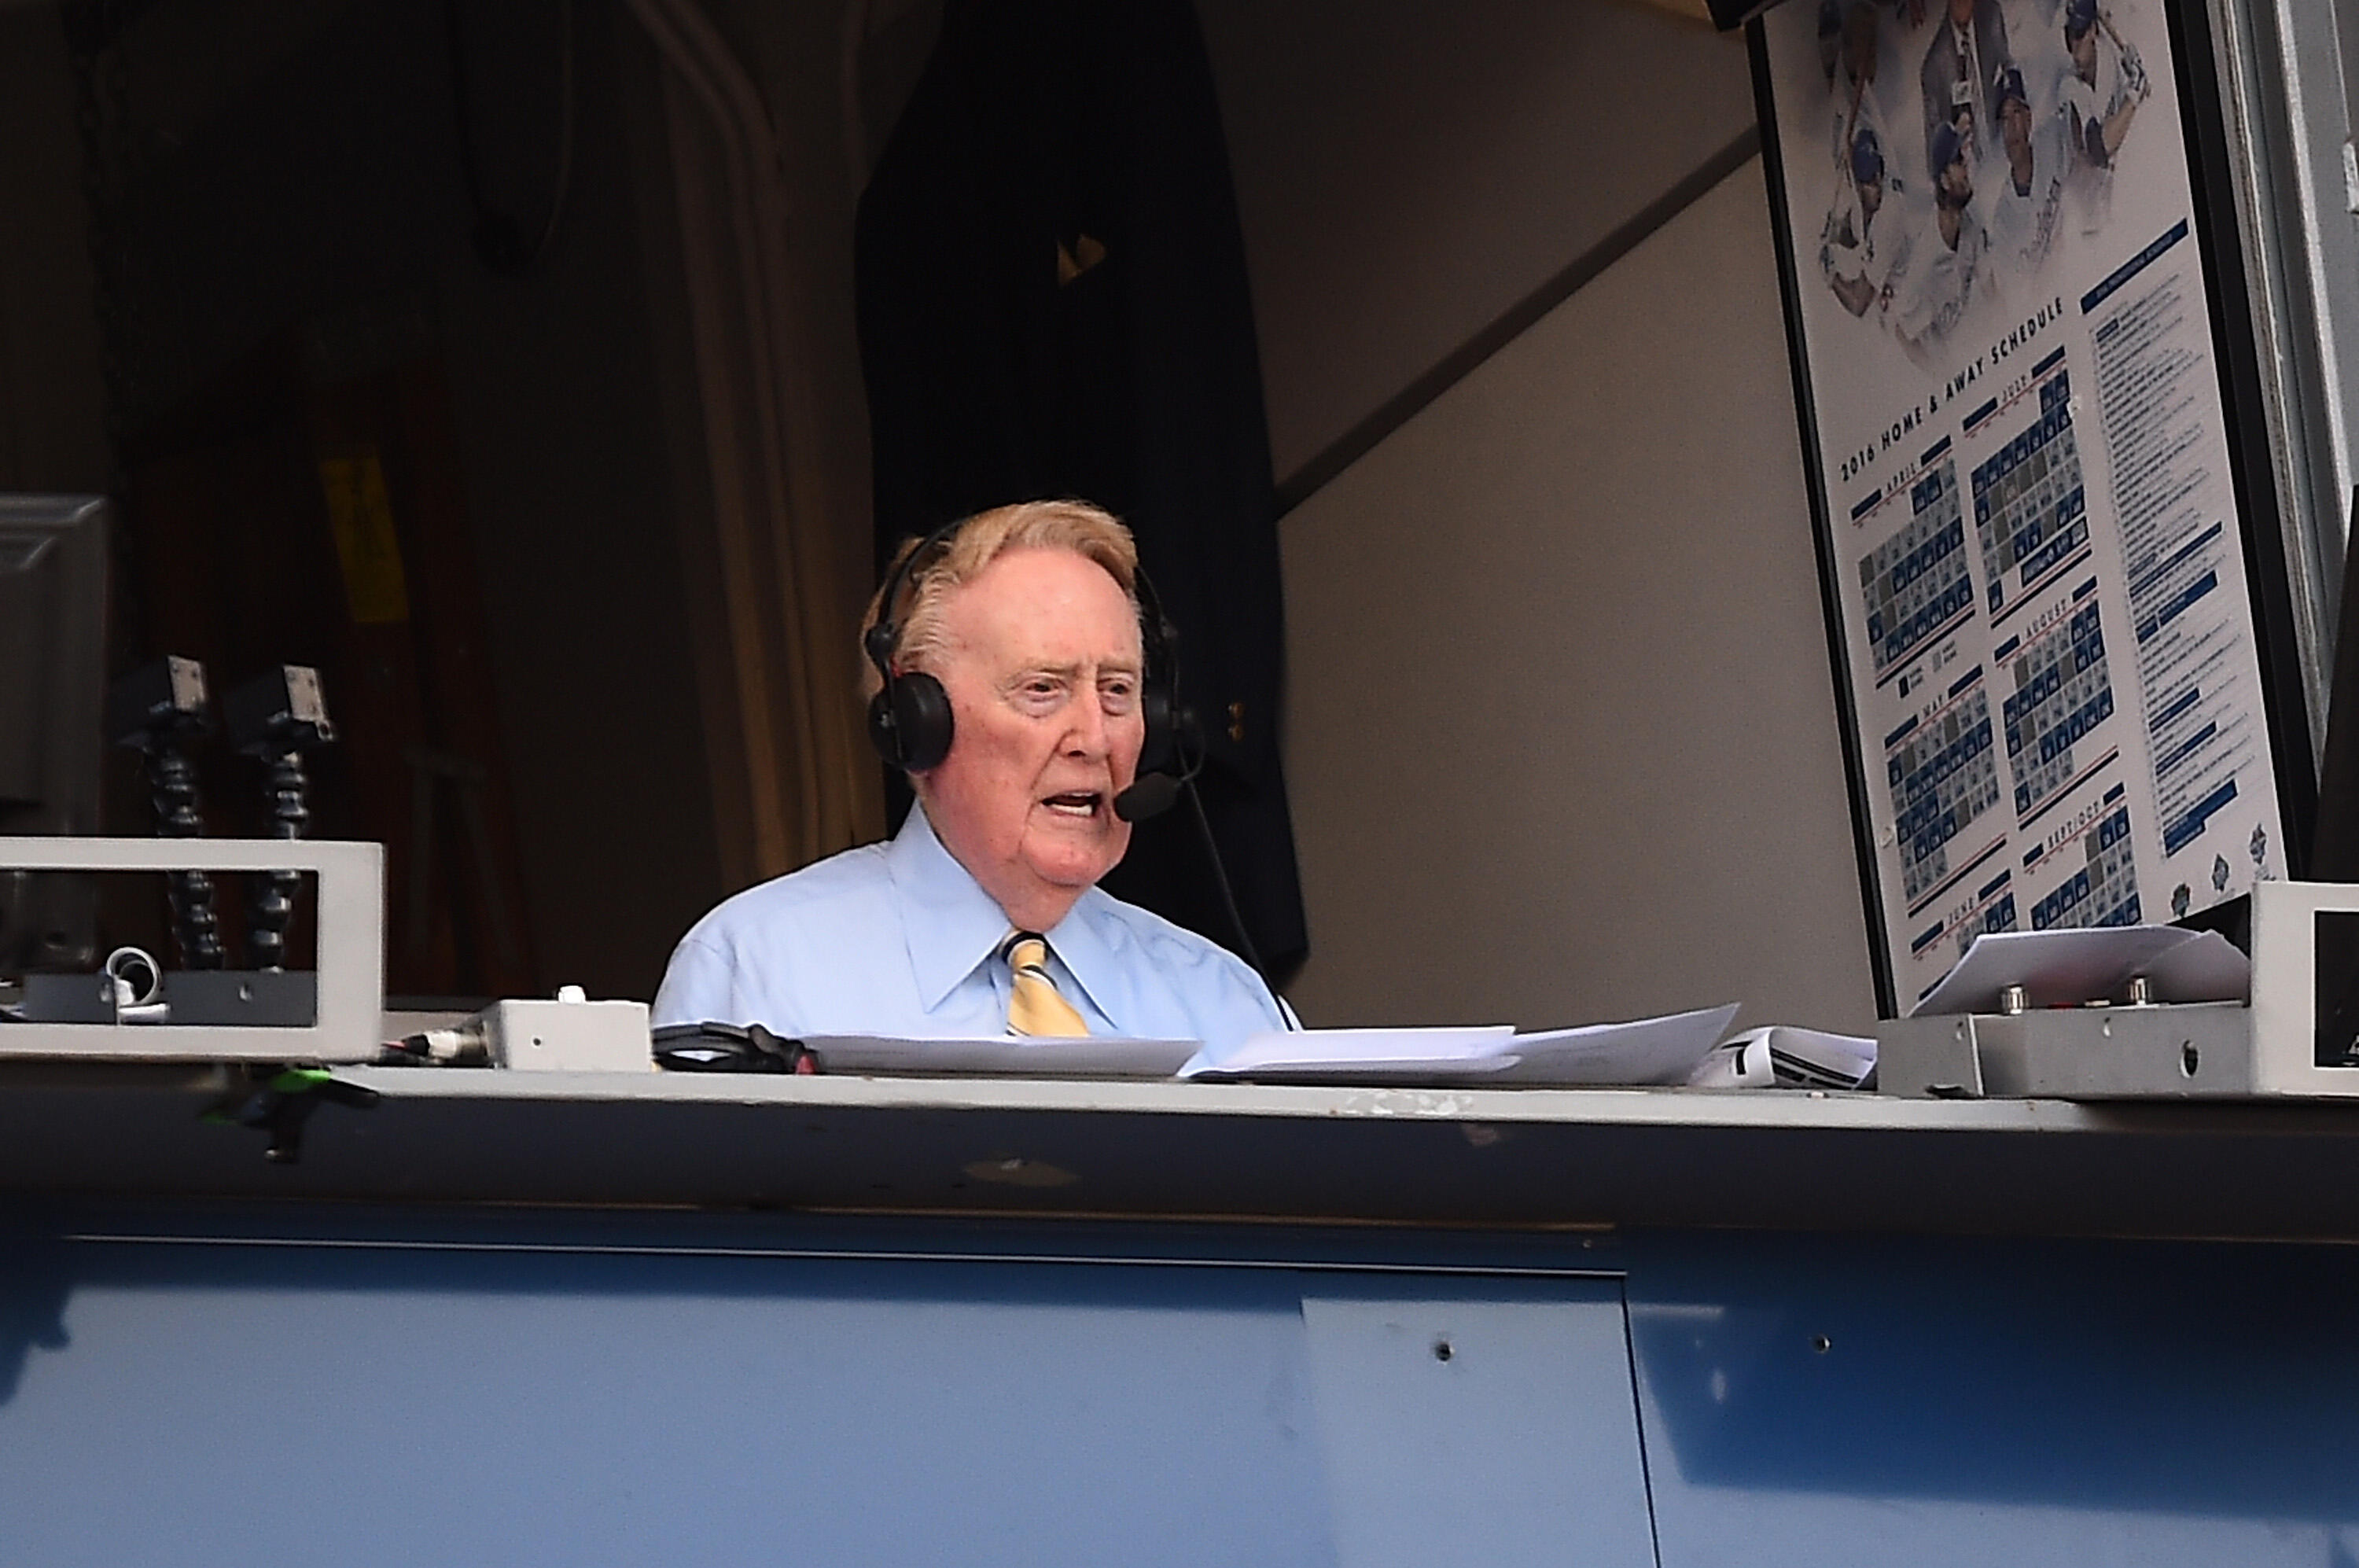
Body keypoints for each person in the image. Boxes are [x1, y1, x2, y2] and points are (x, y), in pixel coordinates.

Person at [653, 499, 1291, 1050]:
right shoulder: (759, 968)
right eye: (1043, 688)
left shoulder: (1226, 1004)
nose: (1096, 738)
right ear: (916, 723)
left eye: (1119, 691)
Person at [1919, 0, 2012, 179]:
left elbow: (2008, 64)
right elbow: (1935, 152)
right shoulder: (1934, 66)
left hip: (2002, 149)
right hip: (1971, 170)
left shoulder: (1990, 14)